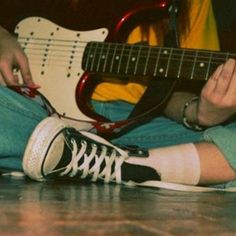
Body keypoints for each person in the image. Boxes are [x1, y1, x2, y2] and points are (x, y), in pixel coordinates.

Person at [0, 0, 236, 191]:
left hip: (136, 122)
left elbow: (165, 94)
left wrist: (198, 113)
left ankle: (109, 162)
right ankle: (93, 159)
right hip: (35, 105)